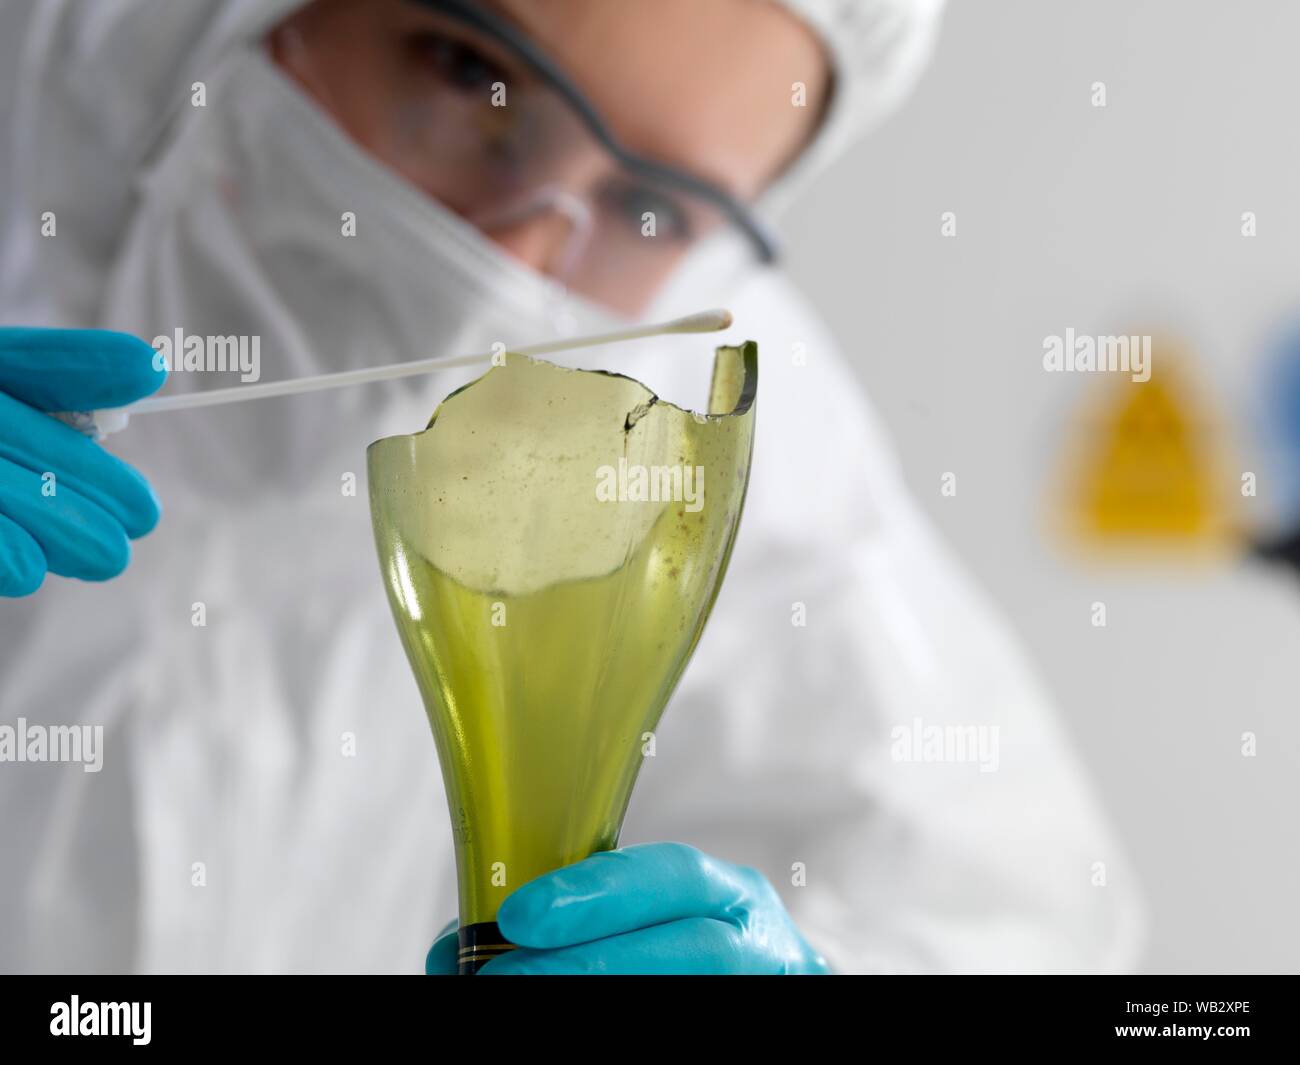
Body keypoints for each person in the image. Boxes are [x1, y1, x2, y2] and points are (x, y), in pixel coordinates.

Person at [0, 0, 1142, 974]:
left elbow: (1010, 909)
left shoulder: (684, 408)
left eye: (651, 209)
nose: (515, 258)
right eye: (468, 72)